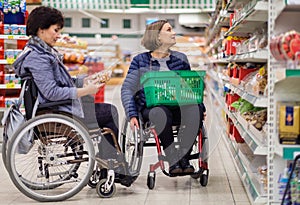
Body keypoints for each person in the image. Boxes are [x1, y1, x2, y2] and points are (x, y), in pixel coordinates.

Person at [13, 6, 120, 163]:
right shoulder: (38, 57)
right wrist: (85, 91)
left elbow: (58, 82)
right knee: (110, 111)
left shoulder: (41, 52)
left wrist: (85, 80)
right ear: (41, 29)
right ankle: (112, 163)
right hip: (57, 113)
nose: (58, 35)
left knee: (106, 110)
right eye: (55, 30)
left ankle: (110, 161)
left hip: (56, 109)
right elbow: (52, 92)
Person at [121, 20, 205, 175]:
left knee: (195, 109)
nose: (174, 33)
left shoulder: (181, 58)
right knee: (160, 112)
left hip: (179, 106)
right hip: (153, 108)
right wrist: (132, 113)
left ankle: (184, 158)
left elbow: (189, 87)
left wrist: (202, 107)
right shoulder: (140, 61)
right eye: (169, 30)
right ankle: (173, 158)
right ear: (157, 36)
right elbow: (127, 89)